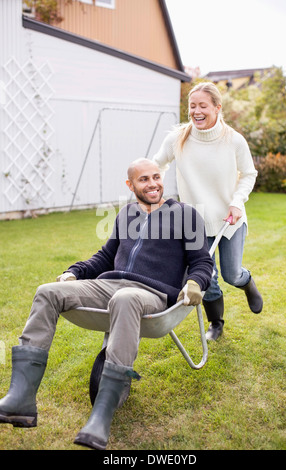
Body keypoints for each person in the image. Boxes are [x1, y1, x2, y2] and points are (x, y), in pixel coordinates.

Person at [0, 158, 213, 450]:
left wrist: (195, 283)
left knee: (125, 299)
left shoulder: (185, 215)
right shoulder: (126, 214)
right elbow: (105, 256)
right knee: (47, 292)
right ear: (131, 185)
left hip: (150, 294)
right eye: (143, 179)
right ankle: (21, 399)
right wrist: (75, 271)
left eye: (156, 177)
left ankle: (101, 416)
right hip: (110, 285)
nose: (152, 184)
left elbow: (202, 261)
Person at [153, 82, 263, 341]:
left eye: (203, 106)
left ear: (217, 107)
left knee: (231, 274)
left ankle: (246, 283)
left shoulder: (234, 140)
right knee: (208, 277)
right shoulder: (177, 138)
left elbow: (249, 174)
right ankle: (216, 323)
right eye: (192, 106)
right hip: (195, 223)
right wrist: (153, 192)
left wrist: (237, 202)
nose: (196, 111)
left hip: (229, 220)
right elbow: (156, 166)